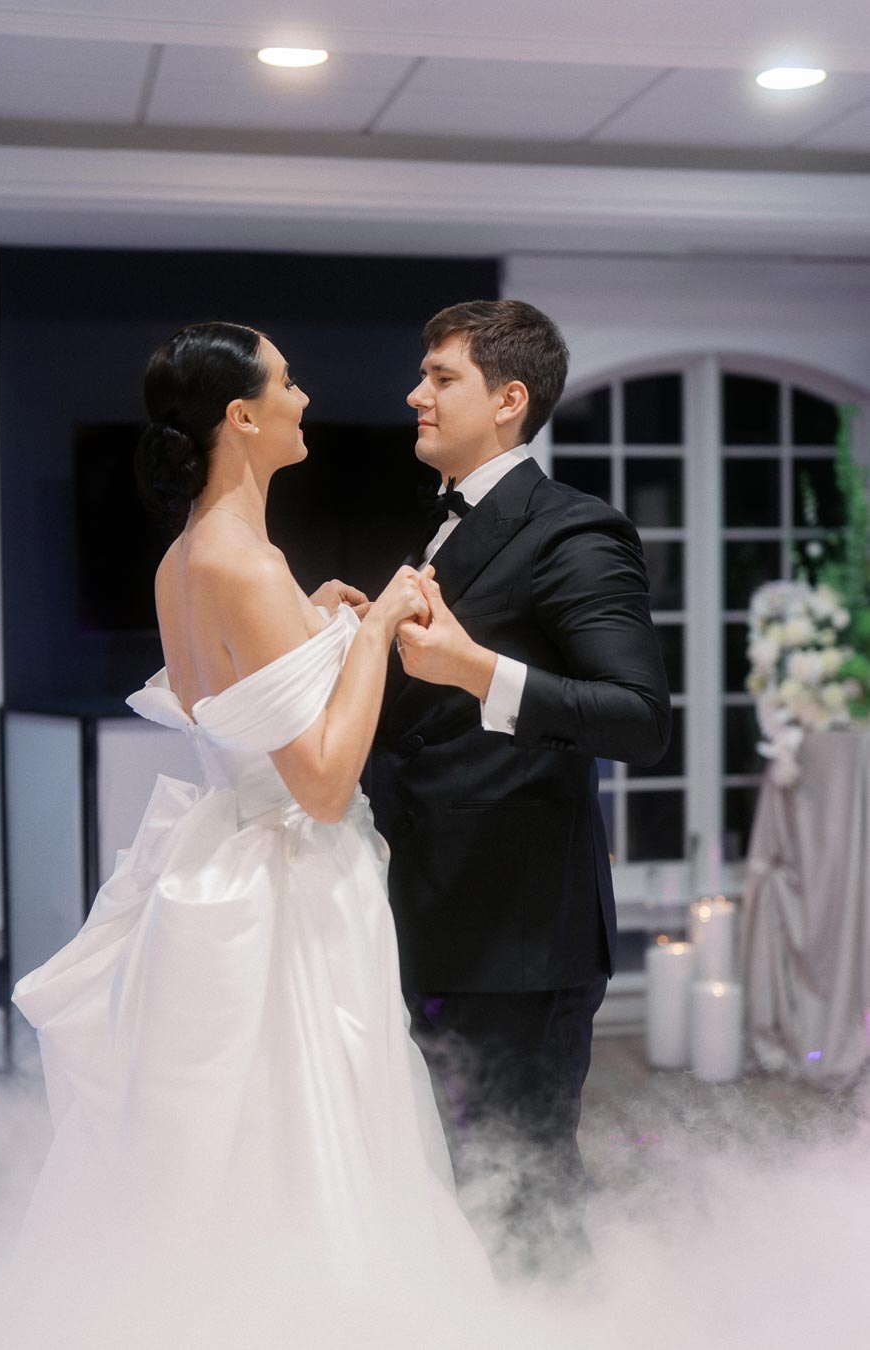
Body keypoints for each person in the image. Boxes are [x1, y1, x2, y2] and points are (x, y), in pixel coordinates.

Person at [11, 321, 490, 1309]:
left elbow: (238, 699)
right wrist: (376, 632)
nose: (305, 397)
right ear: (242, 415)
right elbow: (318, 783)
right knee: (313, 1135)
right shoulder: (246, 565)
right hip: (291, 886)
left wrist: (317, 627)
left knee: (226, 1147)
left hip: (221, 864)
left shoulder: (186, 558)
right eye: (287, 381)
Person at [369, 300, 672, 1272]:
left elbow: (637, 716)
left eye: (440, 376)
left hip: (519, 940)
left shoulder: (573, 530)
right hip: (435, 918)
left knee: (527, 1196)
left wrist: (477, 671)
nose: (417, 393)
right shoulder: (447, 528)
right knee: (462, 1190)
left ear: (509, 400)